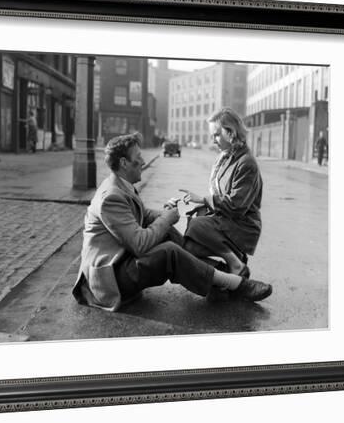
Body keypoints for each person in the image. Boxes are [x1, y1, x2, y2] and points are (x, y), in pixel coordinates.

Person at [72, 133, 272, 312]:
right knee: (169, 252)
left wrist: (163, 215)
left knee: (167, 234)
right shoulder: (110, 197)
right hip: (109, 279)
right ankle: (236, 284)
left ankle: (220, 278)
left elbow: (141, 214)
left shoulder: (121, 184)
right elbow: (139, 244)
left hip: (121, 261)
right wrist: (166, 219)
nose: (142, 161)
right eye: (138, 157)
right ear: (124, 163)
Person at [180, 108, 263, 278]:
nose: (213, 140)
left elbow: (236, 206)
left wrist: (204, 200)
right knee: (188, 247)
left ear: (231, 132)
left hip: (243, 225)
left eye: (217, 135)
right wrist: (203, 206)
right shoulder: (224, 157)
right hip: (226, 220)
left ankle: (234, 265)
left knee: (196, 225)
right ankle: (230, 270)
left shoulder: (246, 163)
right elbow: (219, 194)